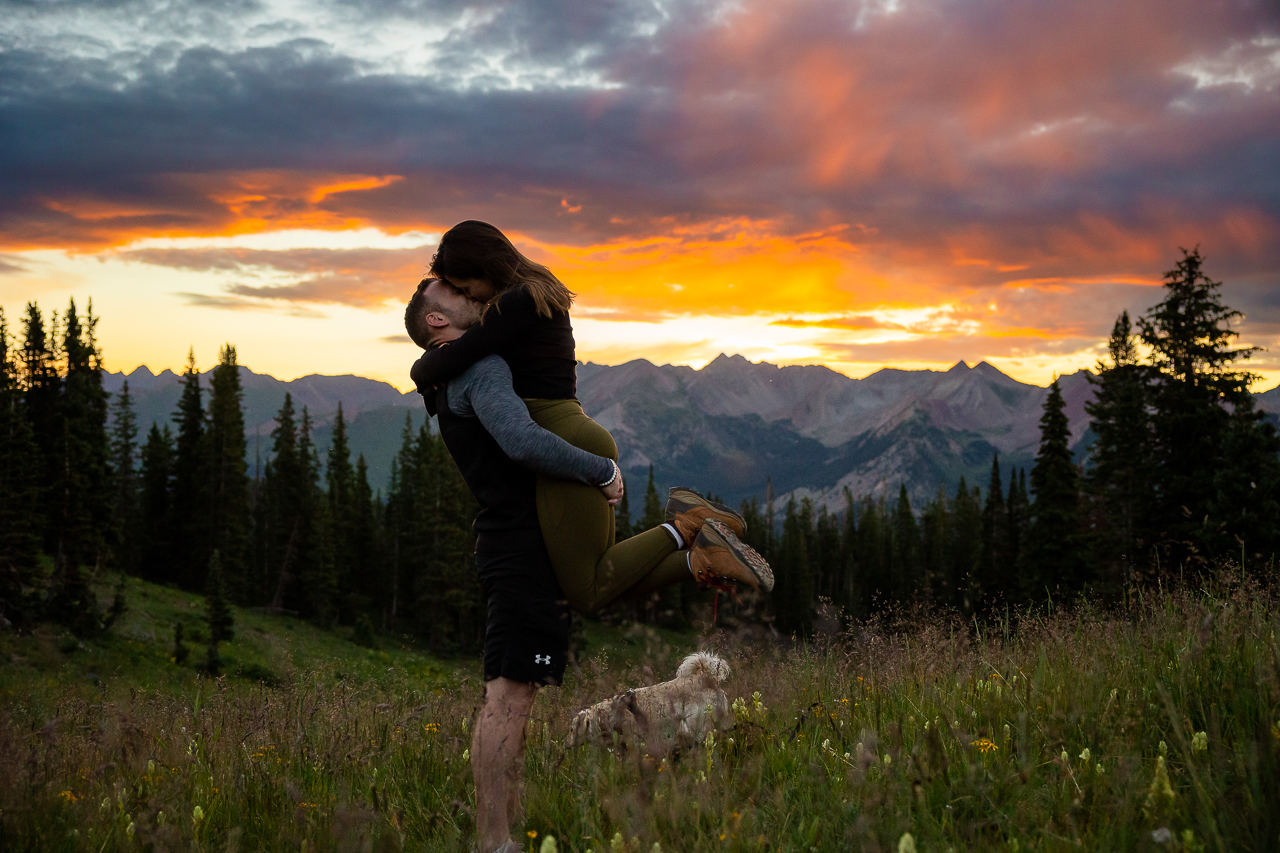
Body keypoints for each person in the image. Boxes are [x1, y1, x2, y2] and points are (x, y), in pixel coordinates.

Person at [406, 276, 772, 853]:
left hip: (519, 545)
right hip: (519, 551)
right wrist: (600, 470)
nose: (471, 295)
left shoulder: (450, 373)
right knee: (510, 695)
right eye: (453, 291)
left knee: (518, 690)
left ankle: (506, 833)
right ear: (435, 320)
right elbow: (523, 440)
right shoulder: (476, 368)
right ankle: (495, 841)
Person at [409, 223, 771, 609]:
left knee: (588, 590)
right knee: (598, 579)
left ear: (484, 268)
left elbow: (461, 355)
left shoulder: (515, 303)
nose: (469, 296)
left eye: (465, 287)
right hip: (571, 429)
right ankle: (697, 556)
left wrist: (422, 372)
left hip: (560, 437)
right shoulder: (537, 293)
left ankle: (686, 526)